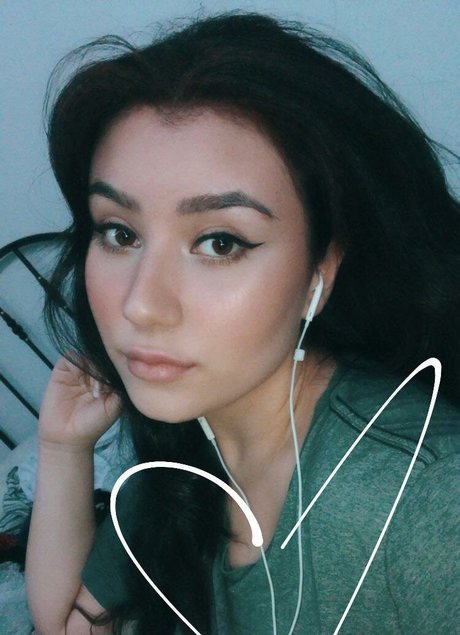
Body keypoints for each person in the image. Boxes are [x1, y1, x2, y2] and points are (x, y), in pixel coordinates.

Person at [25, 12, 460, 635]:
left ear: (321, 269)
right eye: (119, 233)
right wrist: (63, 450)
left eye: (220, 243)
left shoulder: (428, 502)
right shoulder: (187, 447)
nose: (142, 305)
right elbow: (68, 622)